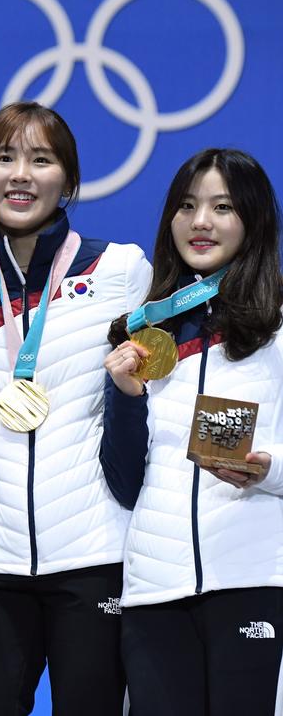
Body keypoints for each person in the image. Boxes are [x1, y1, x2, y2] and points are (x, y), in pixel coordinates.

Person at [0, 102, 151, 715]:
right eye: (3, 158)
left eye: (41, 159)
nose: (20, 175)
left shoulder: (120, 270)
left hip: (95, 558)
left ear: (70, 181)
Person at [101, 148, 283, 715]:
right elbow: (127, 481)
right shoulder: (145, 331)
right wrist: (126, 399)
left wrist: (269, 467)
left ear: (253, 219)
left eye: (222, 206)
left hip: (254, 578)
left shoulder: (279, 324)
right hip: (156, 589)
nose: (200, 221)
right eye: (186, 206)